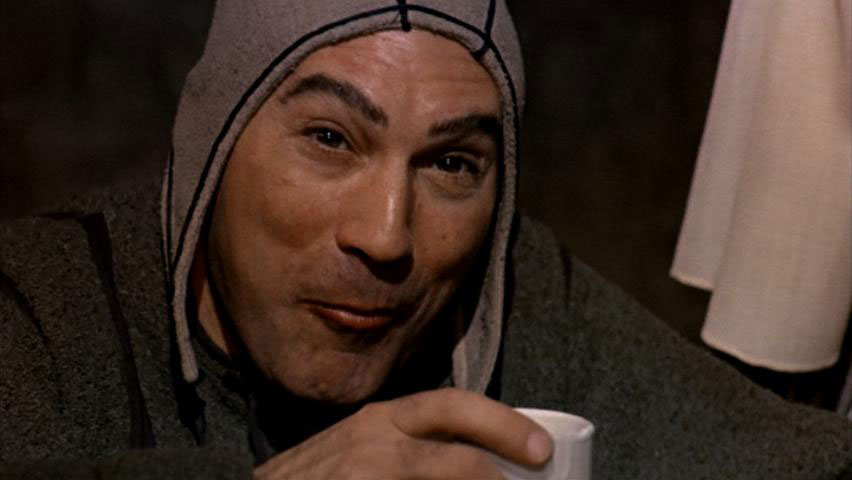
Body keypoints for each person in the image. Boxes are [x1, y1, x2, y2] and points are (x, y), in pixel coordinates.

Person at [1, 1, 850, 479]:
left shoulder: (514, 297)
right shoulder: (39, 309)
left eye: (451, 164)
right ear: (211, 145)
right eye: (330, 139)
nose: (386, 236)